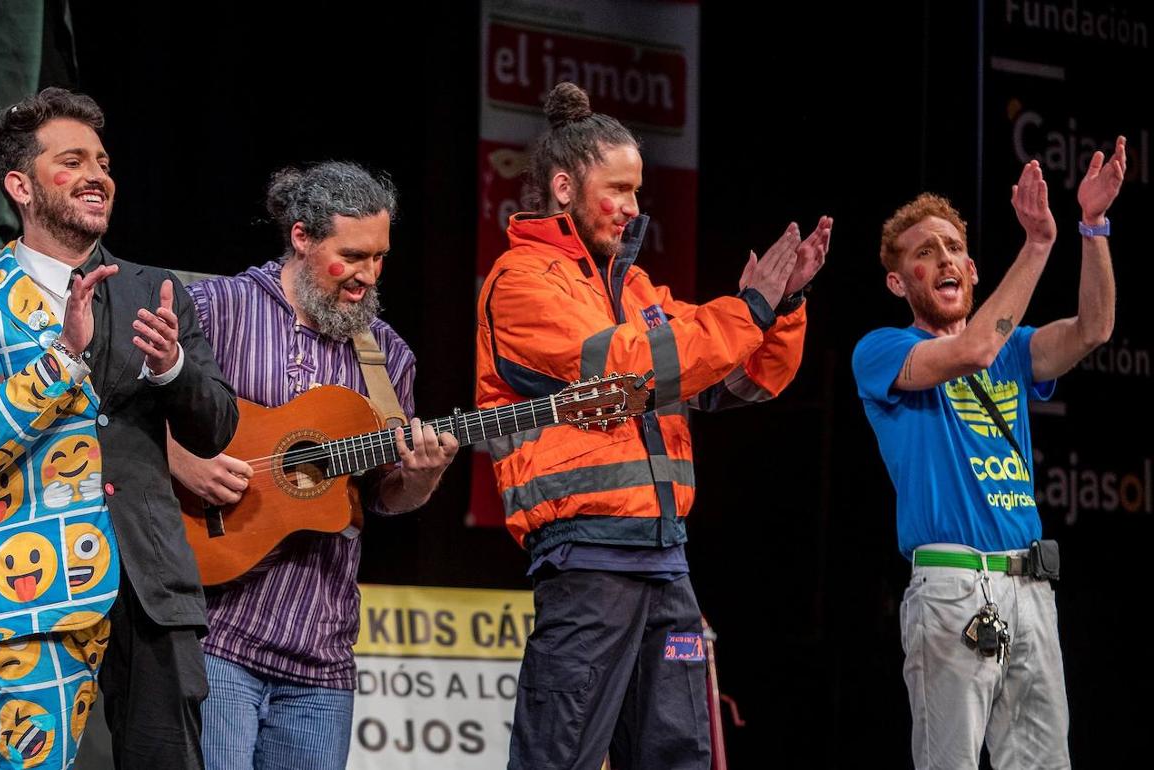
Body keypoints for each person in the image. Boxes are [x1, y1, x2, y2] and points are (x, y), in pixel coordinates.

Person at [474, 81, 832, 769]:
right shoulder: (521, 281)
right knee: (561, 757)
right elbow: (630, 370)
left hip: (666, 562)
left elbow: (740, 380)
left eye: (638, 191)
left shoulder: (636, 290)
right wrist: (748, 307)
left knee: (678, 756)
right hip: (586, 561)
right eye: (620, 189)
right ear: (561, 187)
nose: (634, 208)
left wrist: (783, 307)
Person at [0, 87, 238, 769]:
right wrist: (62, 355)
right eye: (72, 161)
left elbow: (215, 426)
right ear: (21, 186)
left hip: (154, 586)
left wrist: (172, 367)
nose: (98, 174)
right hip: (36, 591)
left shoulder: (152, 291)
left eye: (103, 160)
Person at [168, 160, 459, 769]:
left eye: (379, 258)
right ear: (301, 236)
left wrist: (423, 476)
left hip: (321, 654)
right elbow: (125, 410)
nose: (367, 276)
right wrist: (187, 464)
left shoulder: (388, 358)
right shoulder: (218, 308)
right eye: (352, 255)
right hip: (218, 633)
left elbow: (387, 496)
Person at [852, 137, 1126, 769]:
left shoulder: (1015, 348)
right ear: (899, 281)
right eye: (926, 252)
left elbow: (1094, 329)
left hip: (1031, 590)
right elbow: (971, 351)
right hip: (952, 588)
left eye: (954, 247)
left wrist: (1092, 227)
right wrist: (1036, 244)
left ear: (974, 270)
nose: (944, 258)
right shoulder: (881, 350)